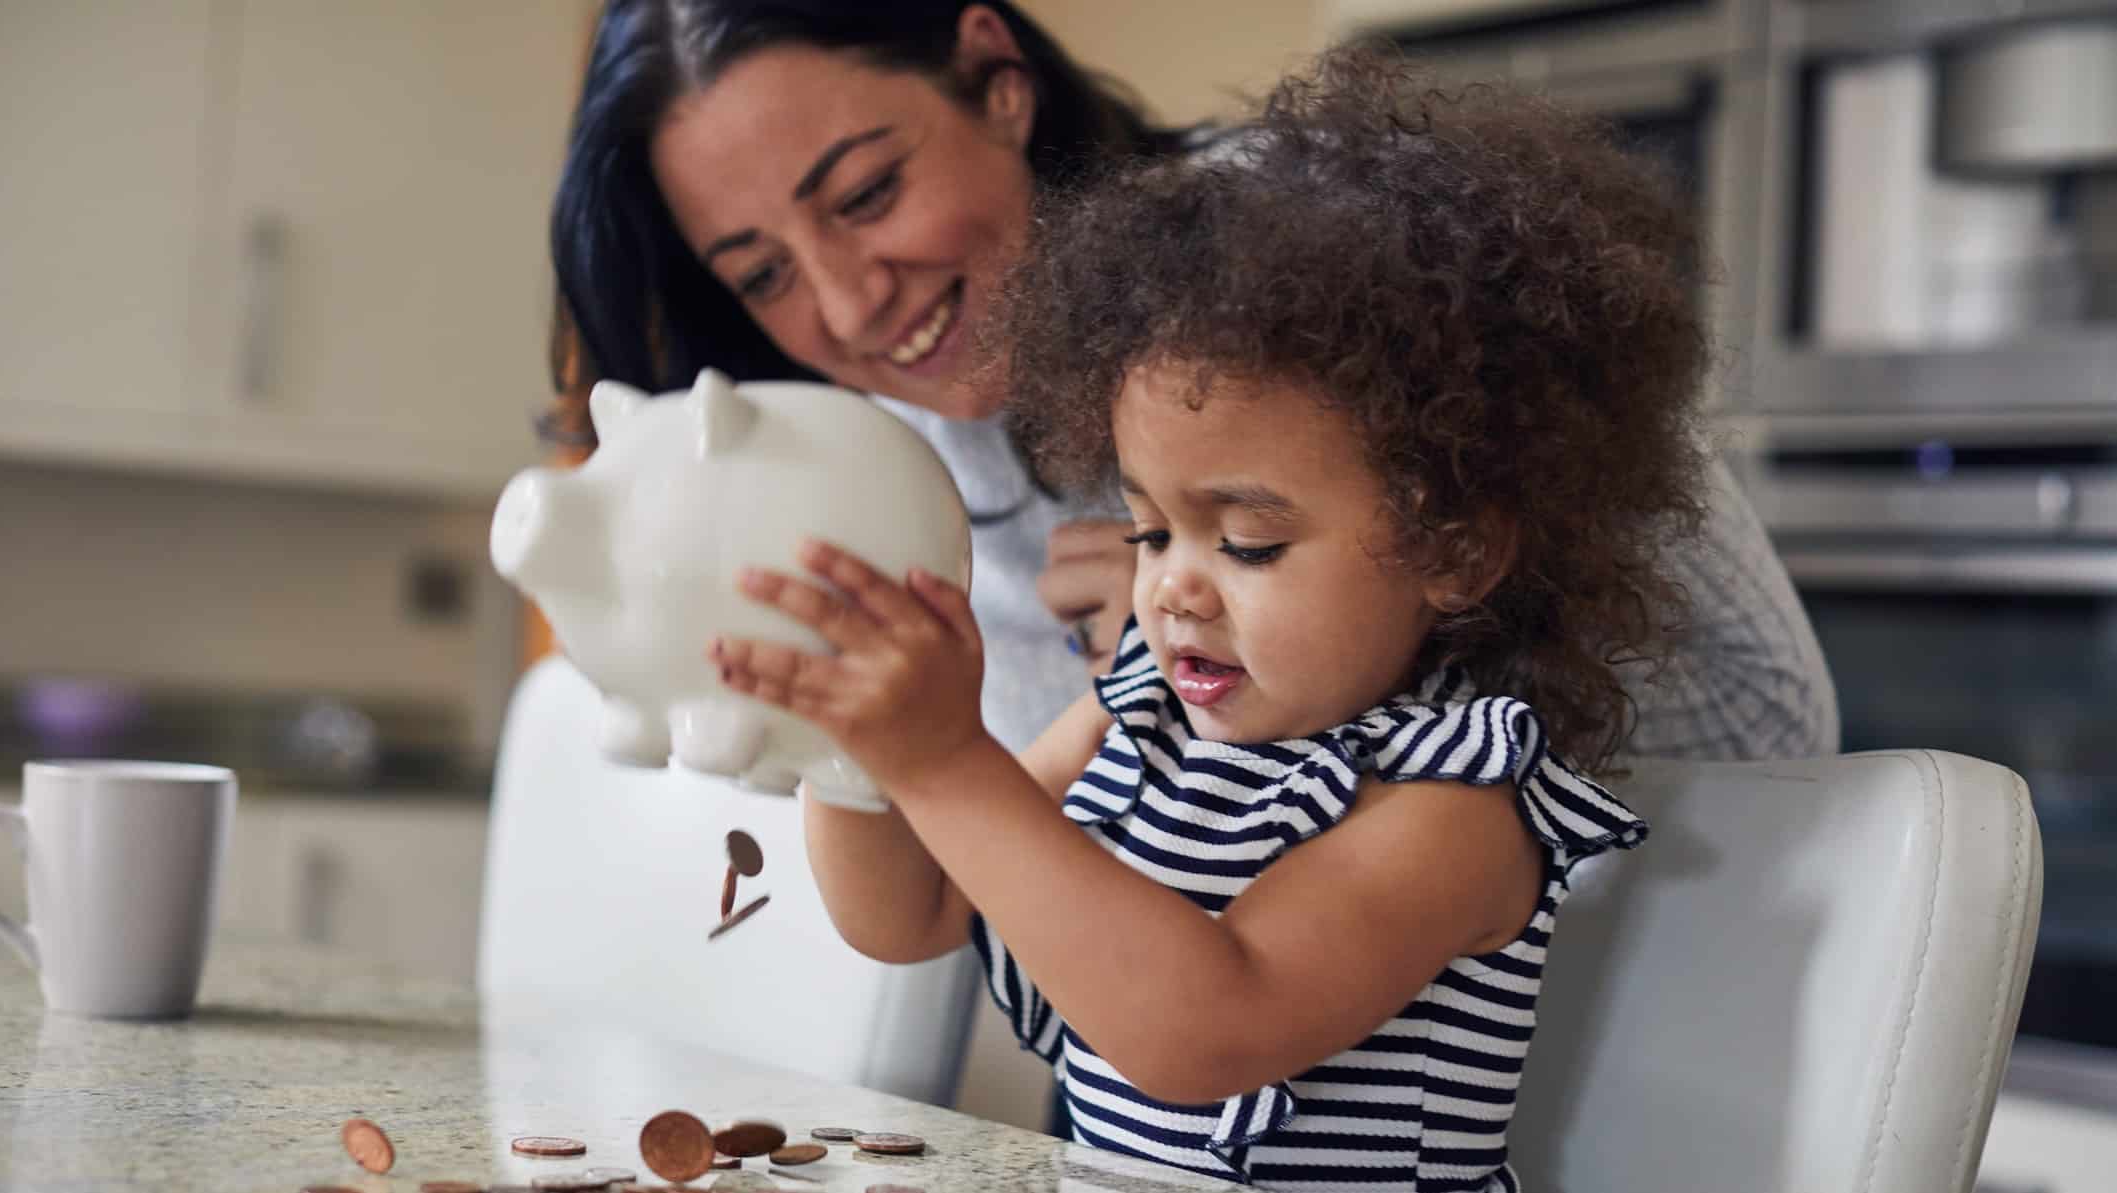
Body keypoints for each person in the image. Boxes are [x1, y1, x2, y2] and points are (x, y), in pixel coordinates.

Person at [705, 49, 1707, 1189]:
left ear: (1455, 549)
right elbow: (914, 908)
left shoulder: (1450, 809)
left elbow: (1205, 1029)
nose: (1173, 587)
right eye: (1148, 532)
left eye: (1249, 542)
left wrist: (941, 755)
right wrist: (852, 745)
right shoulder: (1131, 713)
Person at [544, 0, 1839, 763]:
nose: (844, 303)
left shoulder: (1318, 258)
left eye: (870, 194)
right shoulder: (884, 461)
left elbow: (1765, 720)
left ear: (996, 79)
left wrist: (1305, 660)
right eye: (761, 273)